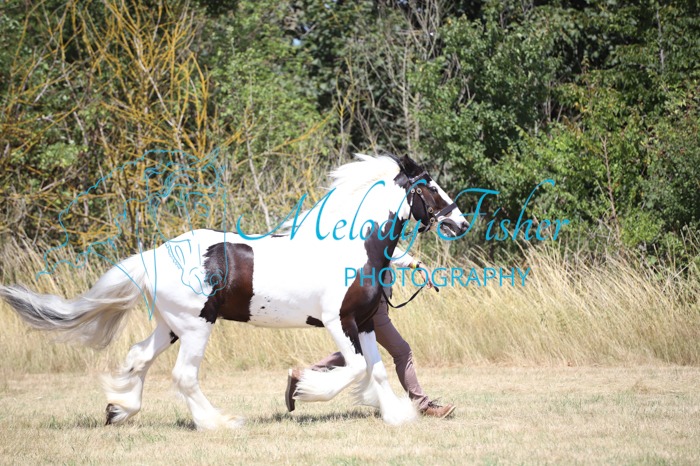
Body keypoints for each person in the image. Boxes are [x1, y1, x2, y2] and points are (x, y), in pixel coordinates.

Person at [285, 255, 455, 418]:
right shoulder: (374, 237)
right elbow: (391, 250)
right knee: (402, 352)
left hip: (370, 303)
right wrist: (418, 265)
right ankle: (423, 406)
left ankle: (302, 377)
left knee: (357, 352)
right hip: (373, 308)